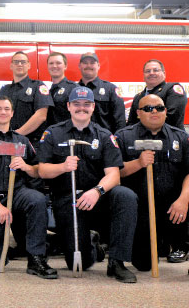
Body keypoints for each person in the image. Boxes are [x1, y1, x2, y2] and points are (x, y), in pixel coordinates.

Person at [116, 94, 189, 280]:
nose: (154, 111)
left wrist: (183, 201)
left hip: (174, 208)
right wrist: (138, 162)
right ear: (137, 113)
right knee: (144, 264)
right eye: (148, 108)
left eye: (159, 108)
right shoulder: (123, 137)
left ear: (166, 112)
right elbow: (114, 172)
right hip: (141, 213)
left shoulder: (181, 137)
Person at [38, 87, 138, 283]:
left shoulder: (104, 136)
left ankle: (117, 262)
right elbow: (42, 170)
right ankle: (92, 245)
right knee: (79, 262)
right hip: (68, 199)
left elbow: (114, 175)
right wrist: (62, 166)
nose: (81, 108)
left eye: (86, 104)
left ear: (93, 107)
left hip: (98, 197)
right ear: (68, 106)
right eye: (76, 104)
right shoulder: (53, 133)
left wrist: (97, 191)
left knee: (125, 195)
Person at [0, 96, 57, 280]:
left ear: (12, 113)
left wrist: (26, 167)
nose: (3, 112)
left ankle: (36, 260)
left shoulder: (22, 141)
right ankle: (45, 244)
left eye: (6, 109)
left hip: (17, 194)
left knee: (37, 200)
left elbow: (36, 171)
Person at [126, 59, 189, 263]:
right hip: (144, 153)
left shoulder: (173, 89)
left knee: (172, 198)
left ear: (164, 72)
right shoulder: (138, 97)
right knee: (147, 200)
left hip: (171, 150)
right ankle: (160, 244)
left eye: (155, 70)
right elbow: (130, 124)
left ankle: (180, 245)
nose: (151, 73)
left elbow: (170, 116)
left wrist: (146, 124)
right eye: (147, 71)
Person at [0, 51, 53, 147]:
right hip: (7, 142)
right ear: (11, 66)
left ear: (28, 65)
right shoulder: (4, 90)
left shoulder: (38, 86)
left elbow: (41, 115)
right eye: (16, 62)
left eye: (23, 62)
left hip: (31, 144)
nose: (19, 64)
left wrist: (17, 134)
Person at [77, 52, 126, 134]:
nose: (88, 66)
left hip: (104, 141)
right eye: (85, 63)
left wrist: (117, 142)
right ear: (79, 66)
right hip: (78, 139)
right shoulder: (73, 89)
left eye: (92, 63)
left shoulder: (111, 89)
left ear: (98, 66)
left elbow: (120, 121)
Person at [46, 51, 78, 126]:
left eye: (58, 63)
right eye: (51, 63)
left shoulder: (73, 88)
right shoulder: (48, 91)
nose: (54, 66)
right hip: (52, 134)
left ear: (65, 66)